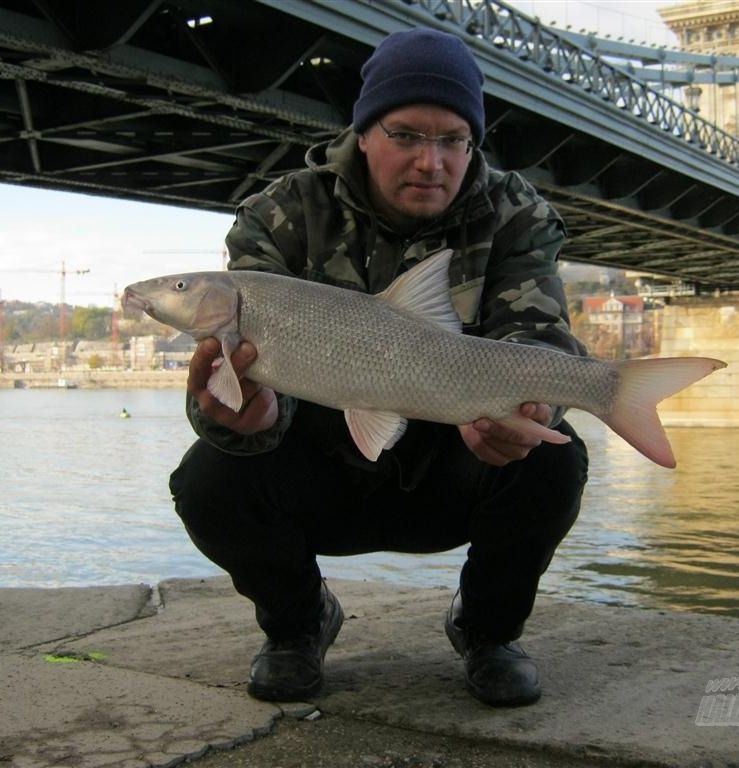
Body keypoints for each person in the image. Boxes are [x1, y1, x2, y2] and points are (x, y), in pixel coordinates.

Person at [169, 27, 588, 708]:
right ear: (362, 133)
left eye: (454, 140)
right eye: (405, 135)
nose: (432, 161)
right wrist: (247, 419)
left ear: (472, 145)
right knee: (209, 475)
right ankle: (299, 626)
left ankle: (488, 632)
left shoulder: (517, 213)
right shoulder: (280, 213)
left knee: (554, 458)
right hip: (324, 467)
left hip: (455, 462)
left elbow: (538, 339)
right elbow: (227, 372)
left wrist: (537, 410)